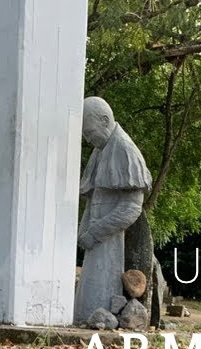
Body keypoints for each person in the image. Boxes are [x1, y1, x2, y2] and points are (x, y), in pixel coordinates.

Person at [75, 97, 152, 325]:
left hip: (108, 239)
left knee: (101, 288)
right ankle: (87, 319)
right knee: (88, 295)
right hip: (95, 238)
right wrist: (84, 230)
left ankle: (102, 320)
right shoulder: (101, 149)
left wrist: (94, 232)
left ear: (105, 120)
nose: (88, 139)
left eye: (89, 132)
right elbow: (93, 198)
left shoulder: (125, 150)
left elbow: (131, 209)